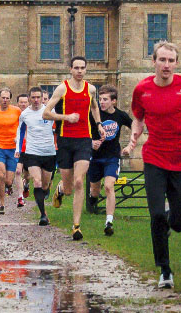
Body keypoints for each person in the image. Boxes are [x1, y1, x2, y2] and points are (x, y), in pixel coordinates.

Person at [123, 41, 181, 289]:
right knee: (156, 216)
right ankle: (165, 270)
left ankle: (169, 219)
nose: (166, 65)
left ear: (176, 63)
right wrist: (135, 133)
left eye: (170, 61)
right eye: (162, 60)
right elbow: (138, 117)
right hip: (154, 158)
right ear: (153, 61)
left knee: (179, 223)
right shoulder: (142, 89)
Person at [43, 56, 106, 241]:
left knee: (80, 181)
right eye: (76, 68)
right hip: (65, 141)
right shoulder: (62, 88)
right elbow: (46, 113)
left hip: (84, 140)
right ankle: (61, 189)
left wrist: (99, 124)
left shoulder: (91, 89)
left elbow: (94, 108)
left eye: (82, 68)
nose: (79, 71)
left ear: (86, 70)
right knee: (70, 187)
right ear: (70, 69)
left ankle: (76, 226)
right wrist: (66, 117)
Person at [88, 84, 132, 236]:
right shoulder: (93, 114)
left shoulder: (121, 116)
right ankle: (92, 200)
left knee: (108, 186)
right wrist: (90, 143)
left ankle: (109, 221)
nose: (102, 102)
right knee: (94, 191)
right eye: (100, 99)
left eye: (105, 99)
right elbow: (82, 131)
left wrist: (129, 147)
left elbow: (136, 129)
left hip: (112, 157)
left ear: (114, 101)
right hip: (95, 157)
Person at [16, 87, 57, 225]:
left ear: (42, 98)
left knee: (44, 186)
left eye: (38, 97)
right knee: (37, 182)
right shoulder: (25, 114)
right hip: (32, 152)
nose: (36, 100)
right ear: (29, 98)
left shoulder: (49, 111)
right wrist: (18, 149)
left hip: (49, 152)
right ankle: (43, 215)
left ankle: (46, 192)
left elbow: (59, 126)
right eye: (33, 97)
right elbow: (20, 132)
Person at [14, 93, 31, 208]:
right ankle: (20, 197)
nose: (23, 104)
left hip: (30, 148)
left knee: (28, 174)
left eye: (25, 102)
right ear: (17, 103)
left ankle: (26, 185)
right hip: (18, 148)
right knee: (18, 171)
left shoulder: (32, 114)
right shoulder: (14, 114)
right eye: (21, 102)